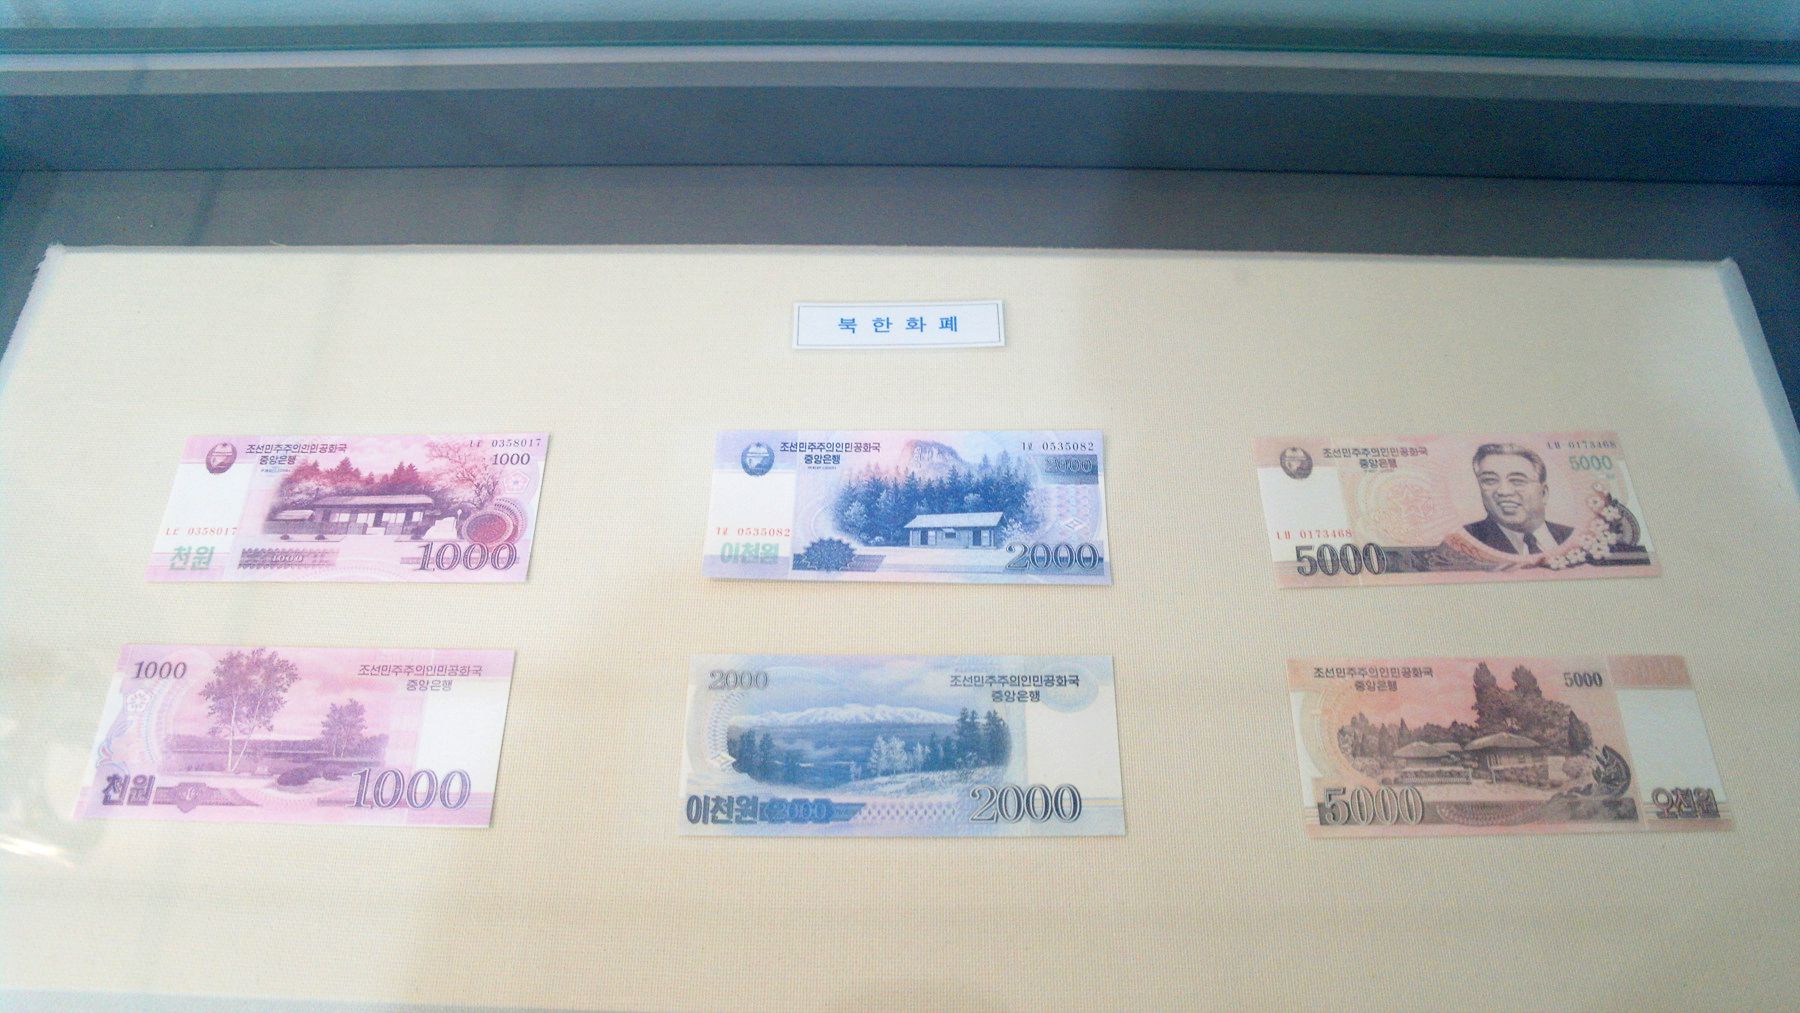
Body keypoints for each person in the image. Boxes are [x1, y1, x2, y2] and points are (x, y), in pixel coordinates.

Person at [1461, 443, 1573, 555]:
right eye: (1490, 480)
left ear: (1543, 493)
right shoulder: (1465, 540)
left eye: (1517, 481)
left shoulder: (1573, 537)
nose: (1504, 491)